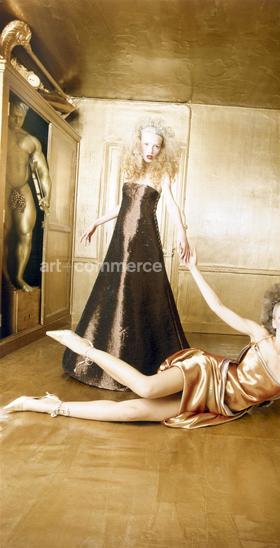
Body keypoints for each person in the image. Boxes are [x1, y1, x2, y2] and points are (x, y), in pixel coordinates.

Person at [4, 250, 280, 433]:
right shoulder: (259, 335)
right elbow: (218, 307)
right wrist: (194, 269)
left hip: (217, 407)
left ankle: (40, 405)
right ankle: (86, 348)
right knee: (145, 389)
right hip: (206, 373)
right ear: (273, 318)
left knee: (132, 413)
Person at [62, 120, 190, 390]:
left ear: (162, 149)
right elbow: (122, 207)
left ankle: (141, 359)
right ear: (138, 144)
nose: (151, 150)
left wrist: (182, 233)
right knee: (115, 288)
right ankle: (109, 352)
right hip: (121, 240)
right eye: (146, 144)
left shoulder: (161, 175)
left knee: (138, 291)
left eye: (156, 146)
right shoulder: (132, 170)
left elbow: (171, 204)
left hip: (144, 242)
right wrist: (96, 222)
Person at [3, 99, 51, 292]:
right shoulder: (2, 133)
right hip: (4, 186)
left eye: (21, 117)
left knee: (25, 233)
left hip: (21, 188)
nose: (17, 120)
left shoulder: (30, 141)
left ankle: (18, 277)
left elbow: (43, 173)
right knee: (4, 233)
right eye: (13, 116)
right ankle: (5, 277)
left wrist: (47, 196)